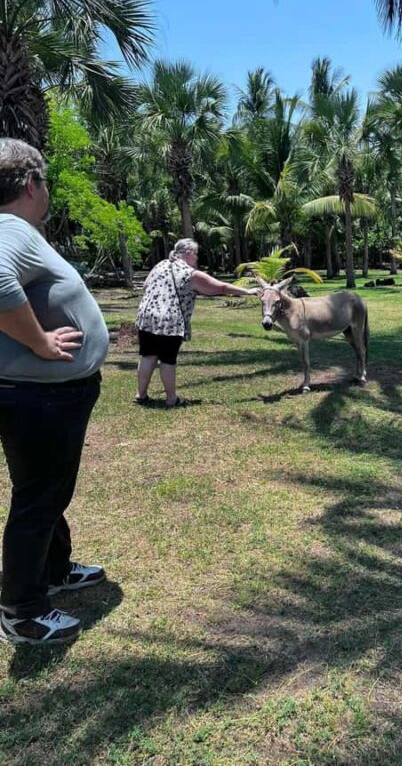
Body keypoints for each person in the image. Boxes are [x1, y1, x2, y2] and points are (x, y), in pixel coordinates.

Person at [0, 138, 110, 645]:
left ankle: (56, 568)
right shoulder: (10, 228)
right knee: (40, 497)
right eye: (46, 183)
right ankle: (21, 610)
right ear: (30, 183)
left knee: (46, 490)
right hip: (40, 397)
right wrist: (41, 342)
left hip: (45, 395)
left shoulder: (17, 231)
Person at [135, 238, 258, 407]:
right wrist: (249, 291)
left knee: (148, 355)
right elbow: (221, 287)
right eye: (196, 254)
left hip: (147, 317)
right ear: (189, 253)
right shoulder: (190, 273)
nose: (197, 258)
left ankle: (141, 395)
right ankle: (171, 399)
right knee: (167, 360)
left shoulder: (160, 264)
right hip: (169, 321)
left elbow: (145, 286)